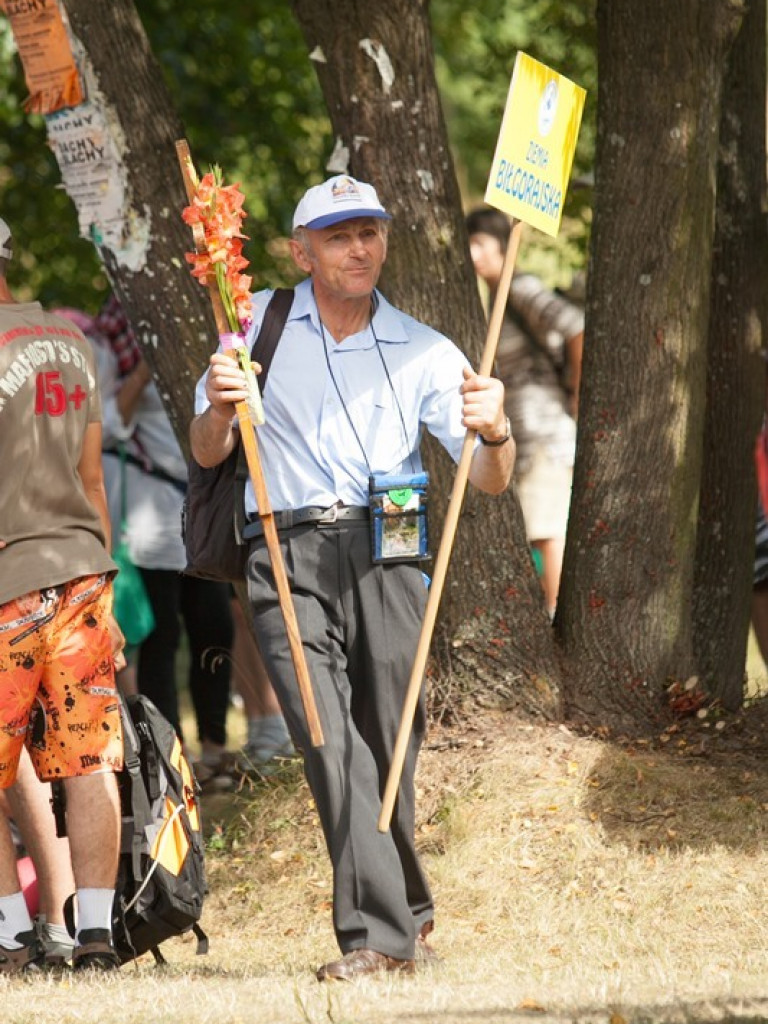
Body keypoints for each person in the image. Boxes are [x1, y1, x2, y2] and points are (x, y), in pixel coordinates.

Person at [191, 175, 513, 981]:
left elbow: (491, 480)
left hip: (392, 542)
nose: (358, 247)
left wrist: (497, 429)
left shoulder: (424, 346)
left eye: (368, 231)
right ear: (302, 251)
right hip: (285, 542)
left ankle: (407, 912)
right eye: (338, 236)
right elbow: (204, 450)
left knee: (388, 736)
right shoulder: (252, 322)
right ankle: (376, 934)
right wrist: (225, 408)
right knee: (327, 736)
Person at [0, 217, 123, 972]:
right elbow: (94, 480)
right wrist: (108, 578)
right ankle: (98, 935)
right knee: (88, 761)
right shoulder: (68, 342)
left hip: (7, 583)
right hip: (81, 574)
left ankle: (11, 936)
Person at [88, 299, 235, 783]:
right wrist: (146, 369)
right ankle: (173, 762)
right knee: (161, 638)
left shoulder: (206, 336)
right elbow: (105, 424)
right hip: (150, 520)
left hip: (203, 511)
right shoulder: (111, 342)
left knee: (214, 625)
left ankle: (216, 747)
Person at [466, 206, 584, 617]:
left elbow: (575, 326)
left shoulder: (518, 287)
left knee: (547, 532)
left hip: (545, 434)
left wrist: (575, 393)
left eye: (479, 243)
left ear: (501, 245)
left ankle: (556, 618)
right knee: (540, 532)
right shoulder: (497, 295)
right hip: (530, 436)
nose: (472, 253)